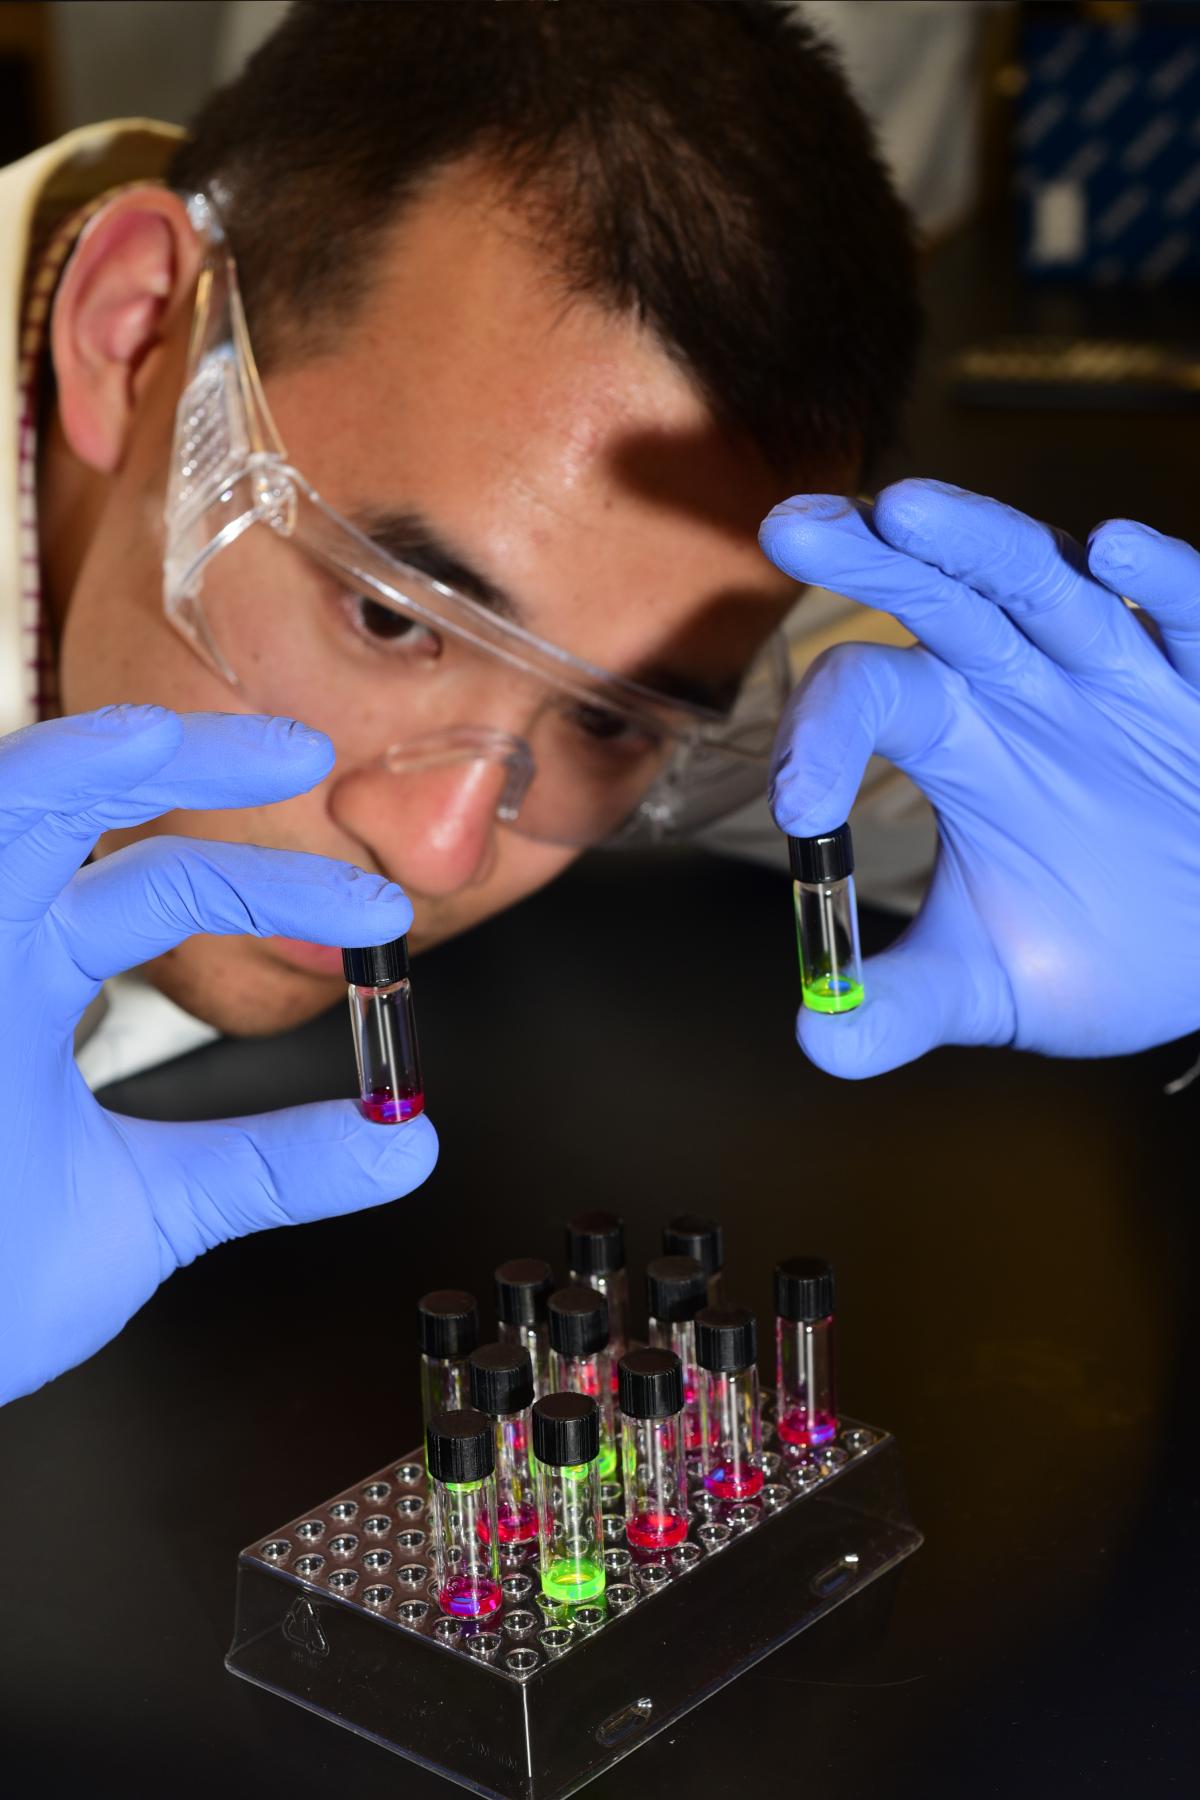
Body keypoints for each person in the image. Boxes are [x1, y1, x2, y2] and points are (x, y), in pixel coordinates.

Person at [0, 0, 920, 1404]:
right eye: (389, 615)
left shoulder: (626, 610)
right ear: (133, 342)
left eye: (607, 722)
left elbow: (932, 750)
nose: (440, 850)